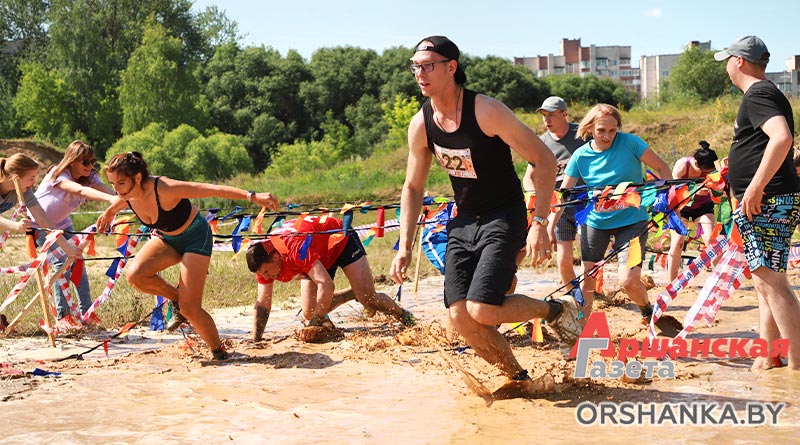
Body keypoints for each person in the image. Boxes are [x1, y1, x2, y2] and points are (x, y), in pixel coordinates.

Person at [390, 35, 583, 392]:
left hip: (503, 216)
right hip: (464, 220)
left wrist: (539, 223)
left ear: (451, 67)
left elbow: (542, 159)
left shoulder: (485, 110)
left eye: (428, 65)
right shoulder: (421, 124)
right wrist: (404, 245)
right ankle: (518, 378)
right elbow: (412, 187)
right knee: (459, 317)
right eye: (416, 66)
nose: (420, 73)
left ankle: (556, 312)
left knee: (482, 310)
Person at [96, 152, 279, 360]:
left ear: (138, 178)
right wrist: (110, 212)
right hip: (168, 239)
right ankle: (175, 298)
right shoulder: (127, 196)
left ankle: (219, 352)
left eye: (120, 183)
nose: (116, 190)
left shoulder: (164, 188)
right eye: (112, 184)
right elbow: (122, 200)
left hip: (195, 238)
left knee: (190, 307)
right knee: (135, 275)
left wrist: (253, 197)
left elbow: (211, 189)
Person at [715, 36, 800, 370]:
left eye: (727, 59)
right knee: (764, 278)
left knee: (771, 280)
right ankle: (769, 357)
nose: (726, 66)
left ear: (739, 61)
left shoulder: (759, 93)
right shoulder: (764, 93)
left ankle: (795, 367)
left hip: (767, 199)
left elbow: (782, 137)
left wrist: (754, 186)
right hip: (769, 198)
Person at [558, 104, 682, 333]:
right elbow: (566, 192)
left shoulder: (631, 143)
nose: (607, 136)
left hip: (632, 221)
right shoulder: (580, 156)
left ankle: (647, 311)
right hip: (596, 223)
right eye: (601, 130)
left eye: (612, 131)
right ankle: (580, 329)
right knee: (588, 278)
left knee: (629, 280)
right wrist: (549, 222)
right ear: (589, 128)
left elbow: (661, 167)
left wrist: (667, 199)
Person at [245, 215, 415, 342]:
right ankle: (350, 294)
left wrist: (316, 321)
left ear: (275, 258)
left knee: (368, 298)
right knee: (308, 311)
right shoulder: (264, 261)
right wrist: (256, 340)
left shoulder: (295, 250)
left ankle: (403, 315)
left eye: (267, 272)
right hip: (317, 253)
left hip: (340, 239)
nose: (267, 277)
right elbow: (263, 303)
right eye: (262, 274)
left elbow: (326, 284)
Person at [32, 140, 117, 330]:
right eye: (85, 162)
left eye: (92, 161)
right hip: (40, 225)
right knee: (62, 261)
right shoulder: (58, 173)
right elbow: (80, 190)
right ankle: (63, 316)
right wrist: (111, 199)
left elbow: (107, 190)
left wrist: (118, 199)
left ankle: (86, 312)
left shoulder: (90, 176)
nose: (90, 166)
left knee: (78, 260)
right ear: (72, 161)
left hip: (63, 224)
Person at [0, 154, 83, 329]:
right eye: (30, 178)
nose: (34, 183)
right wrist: (15, 226)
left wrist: (66, 247)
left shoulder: (24, 191)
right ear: (15, 178)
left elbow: (44, 220)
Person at [523, 96, 583, 285]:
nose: (546, 120)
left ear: (564, 114)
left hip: (584, 200)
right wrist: (536, 198)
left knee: (587, 252)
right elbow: (528, 177)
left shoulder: (581, 134)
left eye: (551, 115)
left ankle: (594, 294)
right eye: (544, 116)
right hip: (558, 204)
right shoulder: (542, 143)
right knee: (563, 258)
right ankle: (574, 294)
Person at [667, 141, 719, 281]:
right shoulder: (683, 165)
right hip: (680, 207)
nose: (707, 175)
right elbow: (673, 191)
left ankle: (720, 279)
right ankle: (672, 282)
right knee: (678, 241)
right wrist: (694, 192)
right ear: (696, 163)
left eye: (710, 172)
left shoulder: (713, 168)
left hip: (703, 207)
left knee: (710, 238)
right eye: (705, 173)